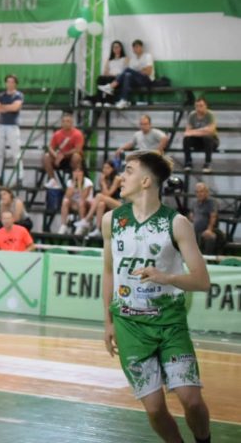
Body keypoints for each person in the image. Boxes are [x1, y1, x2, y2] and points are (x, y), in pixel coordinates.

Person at [102, 150, 212, 443]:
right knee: (154, 409)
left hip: (169, 323)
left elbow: (202, 281)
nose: (121, 177)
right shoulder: (111, 221)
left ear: (146, 181)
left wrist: (167, 277)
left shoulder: (176, 223)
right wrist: (108, 321)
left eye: (128, 170)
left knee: (191, 400)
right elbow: (109, 272)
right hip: (129, 325)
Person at [98, 39, 154, 109]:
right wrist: (141, 70)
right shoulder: (133, 59)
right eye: (134, 47)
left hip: (146, 80)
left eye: (137, 47)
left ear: (141, 47)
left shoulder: (147, 56)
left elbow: (148, 72)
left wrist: (137, 72)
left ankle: (110, 86)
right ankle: (124, 100)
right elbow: (133, 72)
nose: (135, 49)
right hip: (136, 81)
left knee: (127, 70)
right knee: (127, 75)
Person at [0, 75, 24, 186]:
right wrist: (9, 107)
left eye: (12, 82)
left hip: (12, 126)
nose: (10, 84)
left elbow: (16, 107)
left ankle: (19, 177)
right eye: (8, 82)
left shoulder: (19, 95)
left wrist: (3, 107)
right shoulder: (1, 95)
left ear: (15, 83)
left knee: (16, 153)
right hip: (1, 125)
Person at [43, 111, 84, 189]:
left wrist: (63, 155)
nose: (65, 123)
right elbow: (50, 147)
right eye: (63, 121)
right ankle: (52, 180)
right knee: (46, 156)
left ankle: (75, 180)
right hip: (60, 158)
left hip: (71, 158)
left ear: (72, 123)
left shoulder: (77, 134)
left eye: (68, 121)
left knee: (76, 156)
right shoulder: (57, 134)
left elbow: (78, 149)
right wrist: (55, 155)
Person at [83, 159, 122, 238]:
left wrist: (103, 182)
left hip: (119, 203)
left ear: (112, 169)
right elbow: (105, 195)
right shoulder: (104, 179)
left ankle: (87, 219)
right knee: (101, 204)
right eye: (104, 168)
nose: (105, 170)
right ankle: (98, 229)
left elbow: (108, 194)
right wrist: (103, 182)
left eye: (107, 168)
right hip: (109, 203)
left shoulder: (117, 178)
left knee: (99, 196)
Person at [183, 97, 219, 172]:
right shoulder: (192, 115)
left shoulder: (210, 115)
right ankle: (188, 162)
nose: (198, 108)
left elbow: (210, 131)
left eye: (201, 106)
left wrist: (194, 131)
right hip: (198, 141)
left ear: (206, 106)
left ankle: (207, 163)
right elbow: (187, 132)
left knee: (207, 137)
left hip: (212, 142)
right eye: (196, 106)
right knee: (186, 139)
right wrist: (204, 130)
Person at [59, 166, 94, 235]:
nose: (77, 173)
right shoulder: (70, 182)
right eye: (75, 171)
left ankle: (82, 225)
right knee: (65, 201)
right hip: (75, 204)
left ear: (83, 173)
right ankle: (64, 225)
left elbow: (83, 197)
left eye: (79, 171)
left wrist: (79, 184)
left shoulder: (88, 182)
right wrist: (74, 184)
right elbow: (67, 196)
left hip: (86, 205)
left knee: (81, 202)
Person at [190, 182, 221, 255]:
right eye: (197, 192)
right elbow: (192, 216)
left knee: (209, 236)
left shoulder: (212, 202)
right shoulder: (194, 203)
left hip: (209, 229)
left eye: (201, 191)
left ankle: (207, 259)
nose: (199, 194)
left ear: (207, 192)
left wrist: (209, 230)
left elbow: (213, 216)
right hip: (196, 230)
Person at [95, 40, 128, 105]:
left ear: (121, 48)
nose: (116, 49)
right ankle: (99, 101)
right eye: (114, 47)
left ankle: (108, 101)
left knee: (110, 79)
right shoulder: (109, 59)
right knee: (100, 78)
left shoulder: (125, 58)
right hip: (109, 76)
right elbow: (105, 71)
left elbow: (126, 70)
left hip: (118, 78)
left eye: (117, 47)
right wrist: (108, 74)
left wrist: (116, 75)